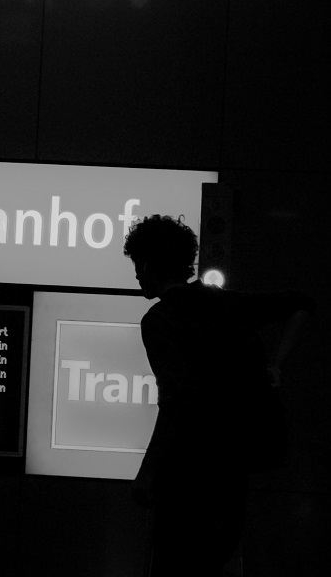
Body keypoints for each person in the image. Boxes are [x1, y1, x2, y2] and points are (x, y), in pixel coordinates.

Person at [123, 214, 314, 577]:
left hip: (186, 478)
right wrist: (277, 365)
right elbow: (301, 303)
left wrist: (147, 473)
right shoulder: (225, 303)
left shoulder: (159, 321)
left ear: (148, 263)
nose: (136, 274)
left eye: (137, 264)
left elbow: (176, 401)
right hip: (232, 472)